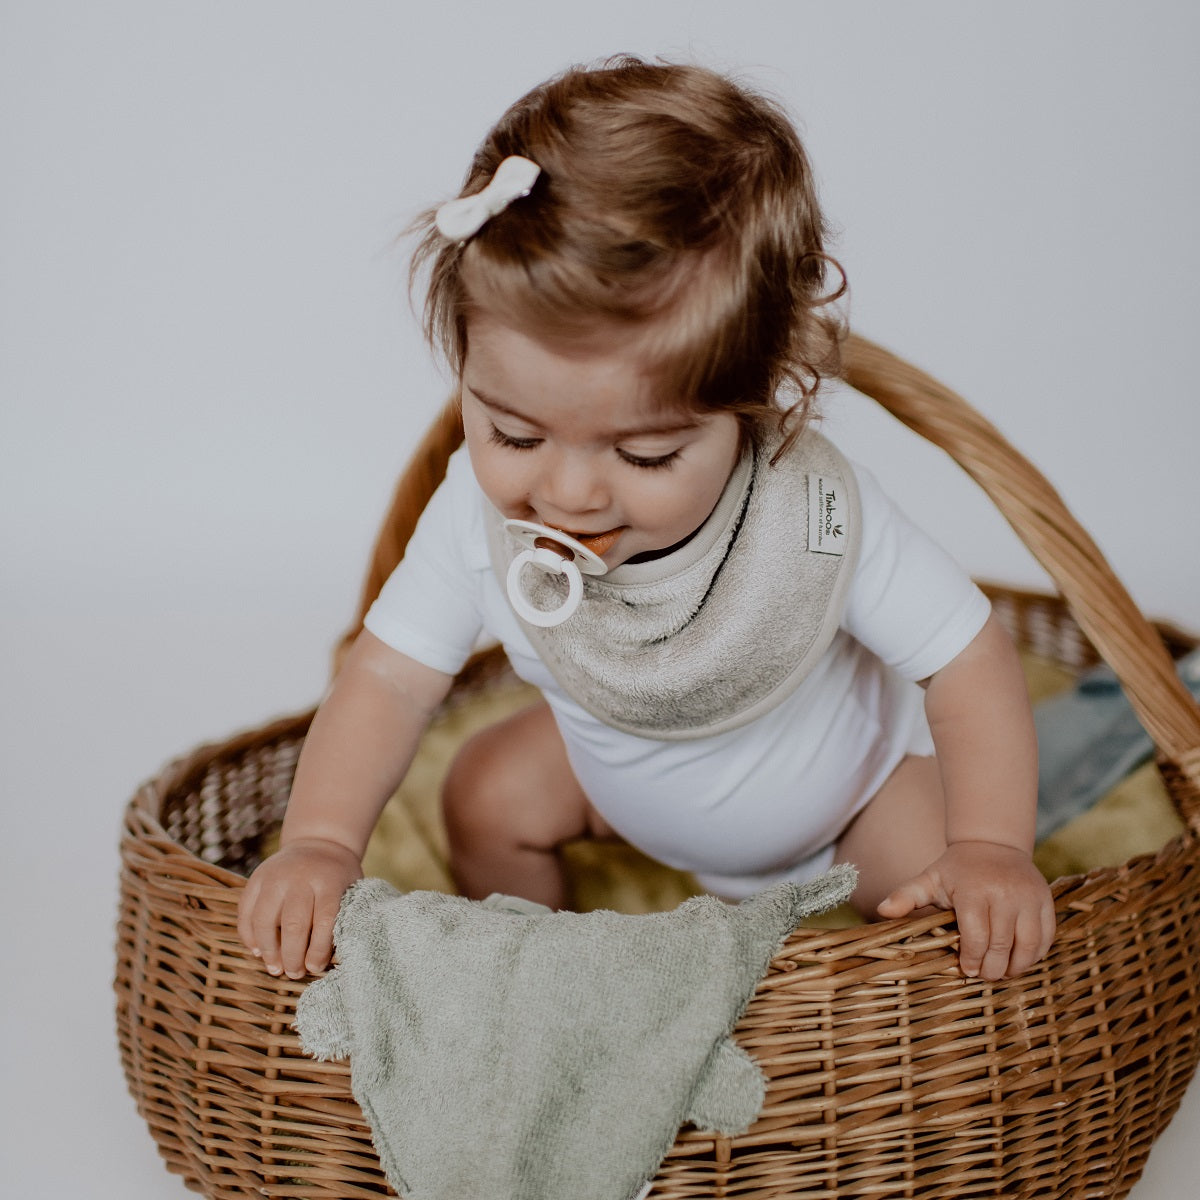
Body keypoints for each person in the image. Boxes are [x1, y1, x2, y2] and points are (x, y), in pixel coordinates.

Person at [238, 56, 1055, 986]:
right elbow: (384, 679)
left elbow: (967, 657)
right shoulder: (475, 516)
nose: (571, 493)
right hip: (615, 776)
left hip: (850, 803)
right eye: (514, 433)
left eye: (645, 455)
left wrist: (992, 843)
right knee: (484, 792)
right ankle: (536, 978)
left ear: (757, 401)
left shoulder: (813, 515)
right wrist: (320, 841)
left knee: (958, 921)